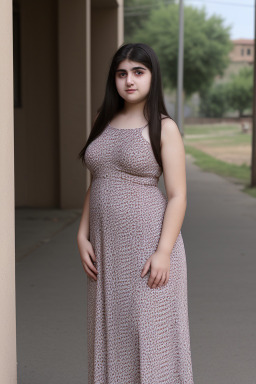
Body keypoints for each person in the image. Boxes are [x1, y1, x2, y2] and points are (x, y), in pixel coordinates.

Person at [77, 42, 194, 383]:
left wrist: (164, 252)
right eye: (121, 73)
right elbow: (97, 180)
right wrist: (80, 234)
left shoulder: (163, 127)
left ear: (152, 77)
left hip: (149, 247)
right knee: (112, 332)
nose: (129, 80)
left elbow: (178, 195)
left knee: (151, 335)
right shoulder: (103, 119)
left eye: (138, 72)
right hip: (106, 248)